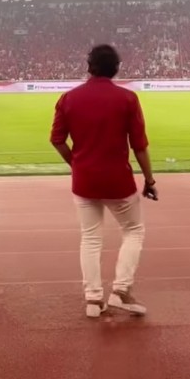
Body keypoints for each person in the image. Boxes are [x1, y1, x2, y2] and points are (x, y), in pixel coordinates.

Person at [50, 44, 158, 319]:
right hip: (117, 180)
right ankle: (121, 290)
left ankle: (93, 299)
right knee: (133, 230)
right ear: (116, 68)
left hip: (84, 180)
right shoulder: (127, 99)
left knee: (90, 238)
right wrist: (149, 179)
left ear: (89, 66)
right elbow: (140, 146)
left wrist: (75, 162)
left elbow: (57, 140)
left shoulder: (69, 98)